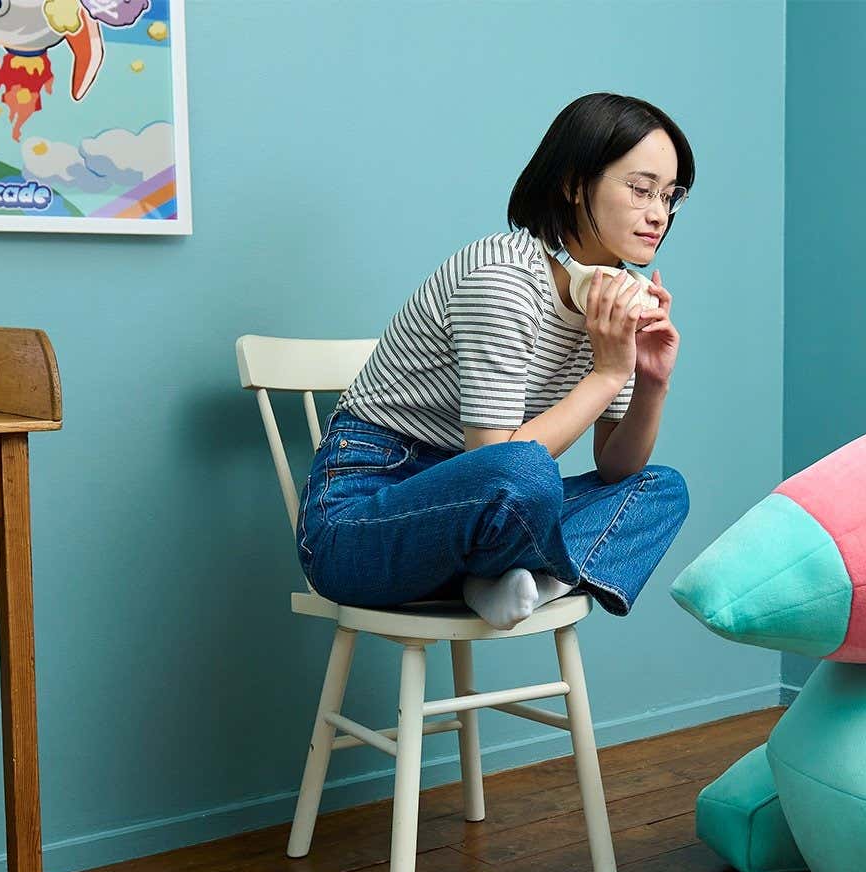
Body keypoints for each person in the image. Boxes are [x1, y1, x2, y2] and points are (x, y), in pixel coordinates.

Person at [296, 93, 692, 628]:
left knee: (659, 487)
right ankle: (538, 572)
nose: (658, 214)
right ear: (575, 183)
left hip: (475, 521)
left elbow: (616, 467)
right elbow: (493, 461)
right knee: (524, 468)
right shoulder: (504, 278)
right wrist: (608, 372)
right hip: (363, 521)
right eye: (642, 190)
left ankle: (520, 578)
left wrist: (651, 380)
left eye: (670, 196)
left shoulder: (613, 295)